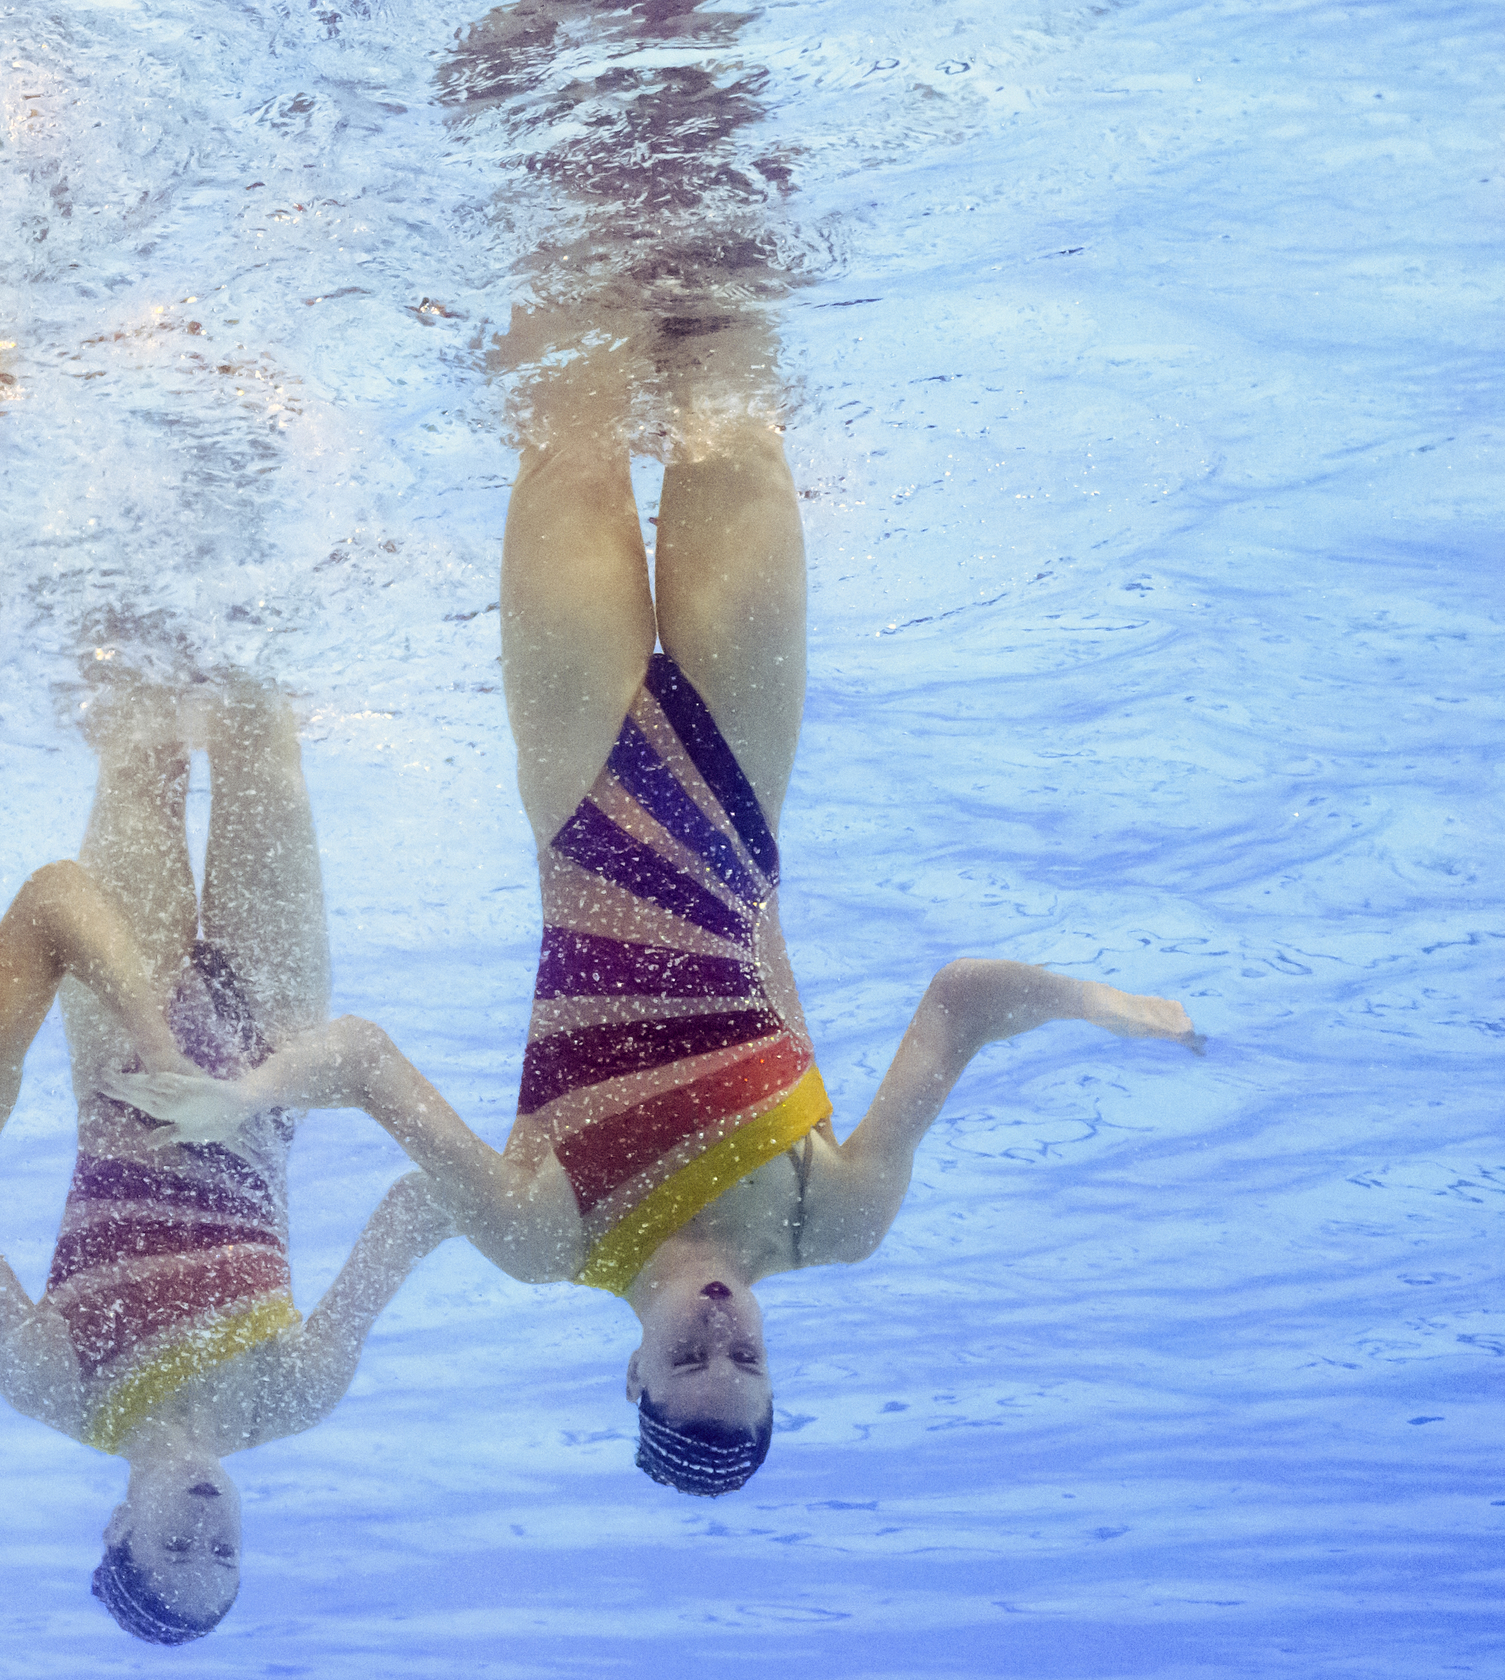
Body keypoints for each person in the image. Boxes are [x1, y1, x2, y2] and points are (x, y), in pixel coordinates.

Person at [121, 310, 1196, 1495]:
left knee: (571, 426)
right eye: (747, 1357)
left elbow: (368, 1062)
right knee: (732, 416)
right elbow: (963, 1002)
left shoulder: (547, 1241)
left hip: (584, 796)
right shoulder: (830, 1222)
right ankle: (697, 170)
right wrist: (1108, 1006)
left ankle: (557, 181)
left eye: (693, 1357)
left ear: (634, 1377)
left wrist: (252, 1093)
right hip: (735, 781)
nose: (722, 1327)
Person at [0, 673, 457, 1646]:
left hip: (118, 1051)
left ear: (117, 1527)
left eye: (174, 1551)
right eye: (224, 1555)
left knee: (135, 738)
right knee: (261, 727)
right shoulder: (291, 1396)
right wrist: (556, 1218)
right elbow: (410, 1211)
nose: (204, 1532)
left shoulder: (56, 1386)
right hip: (272, 1036)